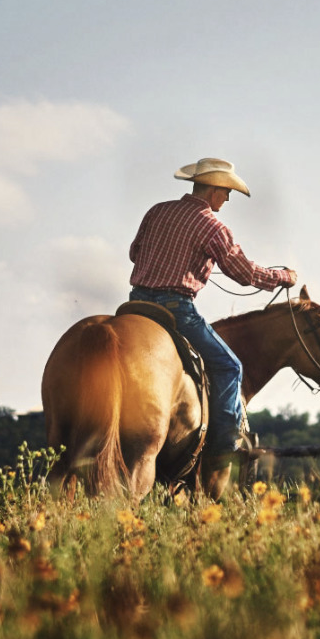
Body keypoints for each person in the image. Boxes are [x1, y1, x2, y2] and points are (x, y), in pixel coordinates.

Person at [129, 157, 296, 490]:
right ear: (214, 188)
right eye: (226, 191)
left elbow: (135, 253)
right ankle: (221, 448)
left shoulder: (157, 211)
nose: (227, 199)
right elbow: (245, 274)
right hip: (175, 309)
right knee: (229, 367)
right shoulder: (212, 227)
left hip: (134, 305)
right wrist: (282, 277)